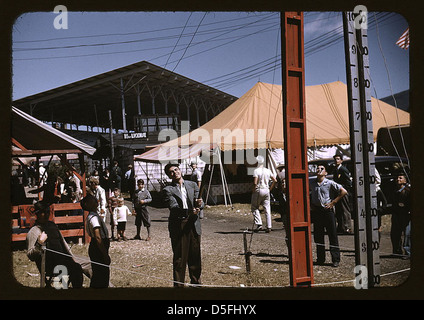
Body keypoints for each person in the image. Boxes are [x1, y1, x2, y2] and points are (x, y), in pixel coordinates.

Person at [162, 163, 204, 287]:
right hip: (179, 225)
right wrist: (189, 211)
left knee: (195, 256)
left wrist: (199, 204)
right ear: (169, 175)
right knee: (180, 258)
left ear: (180, 170)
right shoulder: (168, 190)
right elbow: (174, 207)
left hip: (194, 224)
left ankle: (196, 283)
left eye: (176, 169)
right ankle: (179, 287)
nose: (175, 172)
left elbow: (201, 203)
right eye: (171, 172)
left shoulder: (192, 185)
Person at [26, 201, 84, 288]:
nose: (46, 215)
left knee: (88, 265)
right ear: (37, 214)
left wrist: (71, 257)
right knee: (74, 268)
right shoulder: (34, 231)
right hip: (49, 266)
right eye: (43, 212)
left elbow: (63, 243)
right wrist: (39, 243)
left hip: (64, 260)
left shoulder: (52, 226)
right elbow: (30, 255)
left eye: (47, 212)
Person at [310, 163, 348, 267]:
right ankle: (320, 258)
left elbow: (343, 191)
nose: (319, 170)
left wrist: (333, 202)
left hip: (327, 211)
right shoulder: (312, 182)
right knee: (318, 236)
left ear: (326, 173)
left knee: (332, 235)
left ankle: (335, 259)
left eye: (321, 169)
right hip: (317, 212)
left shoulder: (329, 183)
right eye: (317, 168)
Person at [81, 193, 111, 288]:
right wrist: (104, 254)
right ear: (88, 204)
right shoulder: (93, 218)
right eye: (92, 200)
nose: (95, 201)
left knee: (100, 273)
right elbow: (98, 237)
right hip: (98, 247)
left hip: (97, 246)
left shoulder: (93, 216)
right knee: (101, 274)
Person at [251, 155, 277, 233]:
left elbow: (255, 182)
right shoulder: (268, 170)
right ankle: (269, 226)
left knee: (254, 207)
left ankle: (259, 224)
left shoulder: (256, 171)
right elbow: (274, 180)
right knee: (267, 208)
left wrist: (253, 190)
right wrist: (270, 188)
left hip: (259, 189)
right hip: (266, 189)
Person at [389, 173, 411, 258]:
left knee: (407, 234)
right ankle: (397, 251)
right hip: (396, 215)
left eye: (400, 178)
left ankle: (408, 252)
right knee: (395, 234)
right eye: (397, 178)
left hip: (405, 215)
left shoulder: (408, 191)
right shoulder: (394, 191)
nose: (398, 179)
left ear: (405, 181)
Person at [332, 153, 353, 234]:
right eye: (335, 159)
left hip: (343, 192)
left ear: (341, 160)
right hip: (337, 193)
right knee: (338, 210)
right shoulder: (335, 169)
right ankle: (341, 226)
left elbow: (348, 182)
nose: (336, 161)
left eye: (338, 159)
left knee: (345, 210)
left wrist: (343, 189)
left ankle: (348, 227)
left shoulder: (343, 170)